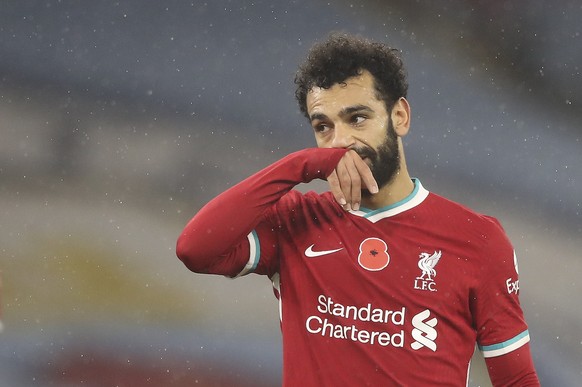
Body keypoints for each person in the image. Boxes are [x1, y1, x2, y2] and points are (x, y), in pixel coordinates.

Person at [176, 32, 539, 385]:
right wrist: (299, 165)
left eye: (357, 118)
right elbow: (195, 250)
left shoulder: (478, 240)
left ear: (400, 116)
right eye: (323, 127)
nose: (341, 141)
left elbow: (516, 379)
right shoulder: (295, 220)